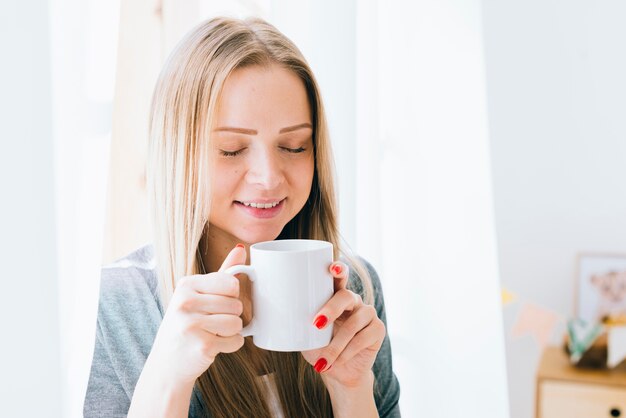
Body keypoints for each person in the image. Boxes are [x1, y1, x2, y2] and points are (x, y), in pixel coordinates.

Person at [84, 16, 400, 418]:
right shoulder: (112, 310)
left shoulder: (356, 291)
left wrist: (351, 390)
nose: (269, 178)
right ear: (177, 155)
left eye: (294, 145)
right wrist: (167, 376)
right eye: (232, 149)